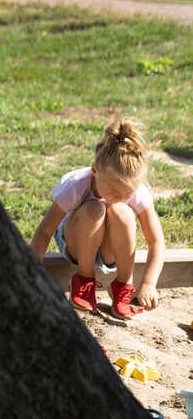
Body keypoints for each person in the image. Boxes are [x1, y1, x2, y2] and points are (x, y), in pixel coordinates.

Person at [29, 118, 164, 319]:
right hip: (77, 242)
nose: (120, 196)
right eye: (113, 191)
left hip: (109, 250)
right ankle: (84, 280)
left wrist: (148, 284)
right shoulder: (76, 184)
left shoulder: (135, 191)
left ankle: (122, 285)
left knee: (123, 211)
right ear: (94, 170)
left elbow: (156, 241)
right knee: (94, 209)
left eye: (128, 193)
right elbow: (44, 231)